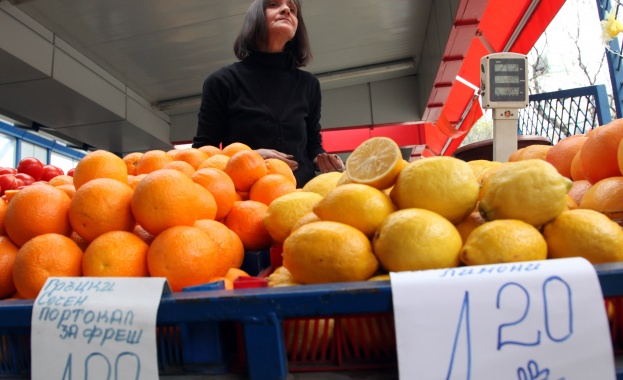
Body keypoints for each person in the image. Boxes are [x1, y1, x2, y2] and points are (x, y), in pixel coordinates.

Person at [192, 0, 344, 187]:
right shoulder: (222, 81)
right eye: (273, 4)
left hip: (303, 194)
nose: (286, 10)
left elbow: (313, 144)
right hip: (249, 198)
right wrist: (249, 157)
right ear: (255, 17)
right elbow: (203, 153)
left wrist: (325, 161)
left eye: (293, 9)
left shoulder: (309, 84)